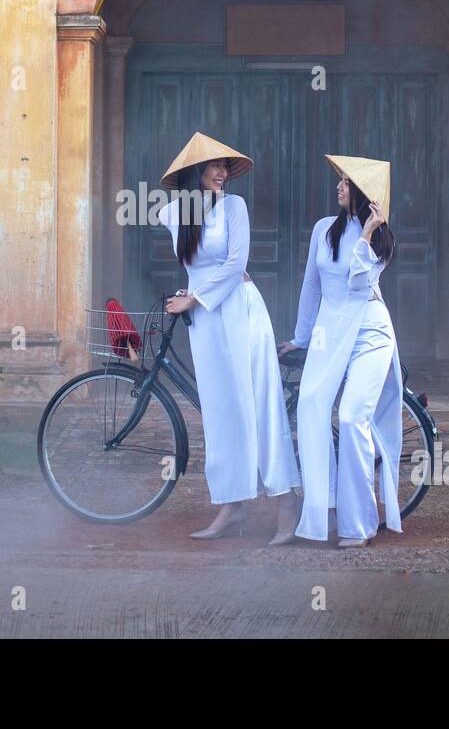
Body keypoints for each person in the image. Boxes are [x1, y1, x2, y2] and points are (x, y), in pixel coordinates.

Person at [156, 132, 302, 543]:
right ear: (193, 172)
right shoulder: (174, 215)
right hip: (205, 320)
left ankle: (285, 499)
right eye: (212, 165)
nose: (221, 173)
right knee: (220, 411)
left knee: (259, 403)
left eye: (224, 166)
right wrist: (191, 294)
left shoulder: (234, 207)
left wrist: (197, 296)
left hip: (240, 312)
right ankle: (231, 504)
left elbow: (238, 261)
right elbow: (196, 267)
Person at [278, 155, 403, 547]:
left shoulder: (382, 240)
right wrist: (301, 337)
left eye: (347, 182)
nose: (339, 186)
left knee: (350, 417)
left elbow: (357, 285)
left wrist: (366, 234)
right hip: (328, 332)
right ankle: (324, 506)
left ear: (363, 194)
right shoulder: (322, 229)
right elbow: (311, 286)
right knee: (311, 405)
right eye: (341, 180)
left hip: (369, 331)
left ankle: (360, 523)